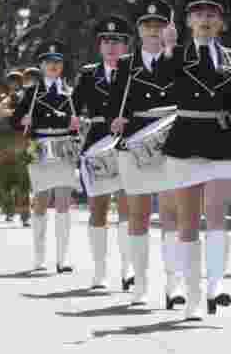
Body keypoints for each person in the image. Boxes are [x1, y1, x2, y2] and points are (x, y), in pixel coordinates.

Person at [158, 0, 231, 321]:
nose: (205, 20)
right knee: (188, 224)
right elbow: (164, 84)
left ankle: (216, 284)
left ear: (221, 22)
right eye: (198, 14)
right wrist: (167, 49)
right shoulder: (177, 54)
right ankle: (193, 298)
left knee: (216, 216)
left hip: (221, 144)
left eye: (212, 14)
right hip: (185, 143)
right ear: (188, 22)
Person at [108, 0, 186, 310]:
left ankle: (173, 284)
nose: (153, 30)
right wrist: (115, 121)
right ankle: (140, 285)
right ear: (139, 30)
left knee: (171, 214)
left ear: (169, 29)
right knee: (138, 215)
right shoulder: (126, 64)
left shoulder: (179, 58)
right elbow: (114, 105)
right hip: (135, 144)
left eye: (160, 25)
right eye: (147, 25)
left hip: (171, 141)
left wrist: (173, 50)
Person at [73, 16, 135, 295]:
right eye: (106, 41)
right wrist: (71, 118)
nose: (111, 46)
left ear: (126, 46)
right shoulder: (89, 75)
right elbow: (73, 107)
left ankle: (128, 269)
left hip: (127, 141)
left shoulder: (134, 72)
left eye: (117, 41)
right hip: (97, 141)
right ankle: (99, 271)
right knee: (98, 209)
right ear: (99, 45)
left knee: (128, 208)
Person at [12, 41, 82, 273]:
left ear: (62, 66)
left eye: (57, 62)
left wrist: (77, 123)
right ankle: (39, 258)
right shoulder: (31, 93)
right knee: (41, 200)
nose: (53, 66)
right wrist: (22, 121)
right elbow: (15, 120)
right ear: (41, 66)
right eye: (48, 62)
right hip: (40, 146)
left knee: (63, 202)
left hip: (64, 147)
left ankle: (63, 258)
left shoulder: (70, 92)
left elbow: (81, 119)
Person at [0, 73, 31, 227]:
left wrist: (11, 112)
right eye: (11, 81)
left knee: (23, 181)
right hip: (3, 141)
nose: (14, 84)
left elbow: (28, 115)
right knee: (4, 181)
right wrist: (12, 111)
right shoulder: (2, 97)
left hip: (20, 140)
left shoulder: (26, 97)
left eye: (17, 81)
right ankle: (9, 211)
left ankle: (25, 215)